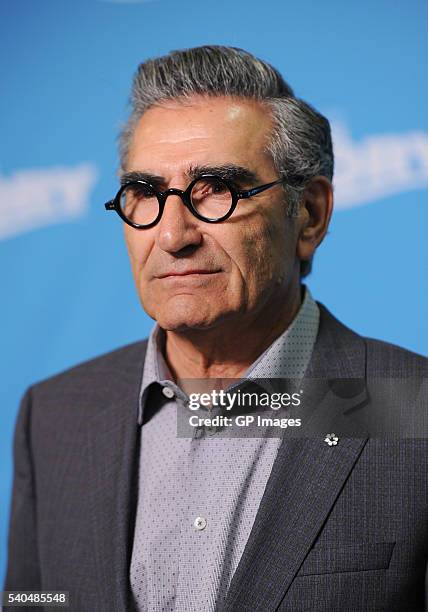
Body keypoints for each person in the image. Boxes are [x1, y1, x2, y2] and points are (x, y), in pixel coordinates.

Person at [4, 45, 428, 612]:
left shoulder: (415, 410)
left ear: (309, 215)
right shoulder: (55, 415)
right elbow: (36, 603)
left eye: (217, 191)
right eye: (146, 195)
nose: (174, 235)